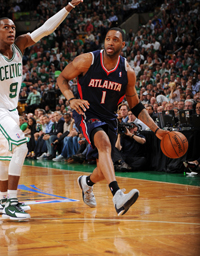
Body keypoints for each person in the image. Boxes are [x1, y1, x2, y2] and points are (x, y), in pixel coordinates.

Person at [57, 27, 168, 216]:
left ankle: (86, 182)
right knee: (104, 144)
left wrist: (157, 130)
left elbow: (135, 105)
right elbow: (62, 78)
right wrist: (71, 98)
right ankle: (117, 195)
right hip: (86, 111)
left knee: (103, 166)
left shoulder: (128, 72)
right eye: (108, 39)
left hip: (109, 117)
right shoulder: (86, 60)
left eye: (115, 40)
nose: (110, 42)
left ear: (122, 44)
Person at [0, 0, 83, 220]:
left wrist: (69, 6)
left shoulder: (19, 46)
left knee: (5, 159)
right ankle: (11, 203)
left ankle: (3, 201)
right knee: (21, 147)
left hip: (11, 110)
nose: (11, 30)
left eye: (13, 27)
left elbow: (46, 29)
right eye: (5, 27)